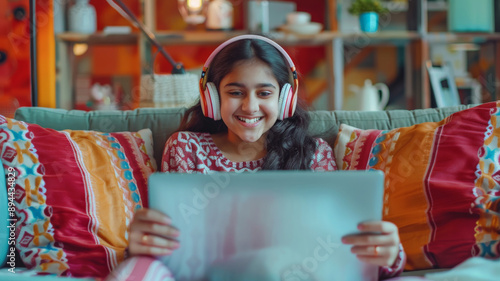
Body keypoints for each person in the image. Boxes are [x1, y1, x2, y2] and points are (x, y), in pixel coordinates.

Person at [109, 35, 406, 281]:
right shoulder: (185, 147)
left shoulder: (313, 154)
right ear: (212, 98)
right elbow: (171, 241)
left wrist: (388, 255)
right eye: (235, 92)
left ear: (284, 99)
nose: (250, 107)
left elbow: (334, 249)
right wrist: (142, 248)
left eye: (264, 93)